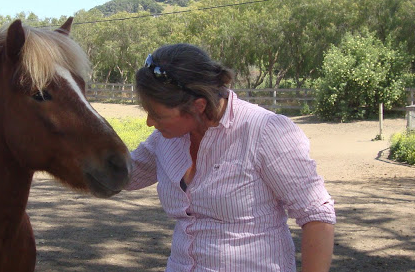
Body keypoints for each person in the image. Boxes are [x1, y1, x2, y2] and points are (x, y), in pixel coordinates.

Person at [125, 43, 336, 271]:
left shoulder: (265, 131)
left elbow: (316, 215)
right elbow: (124, 175)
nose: (149, 122)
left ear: (198, 105)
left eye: (157, 114)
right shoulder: (165, 139)